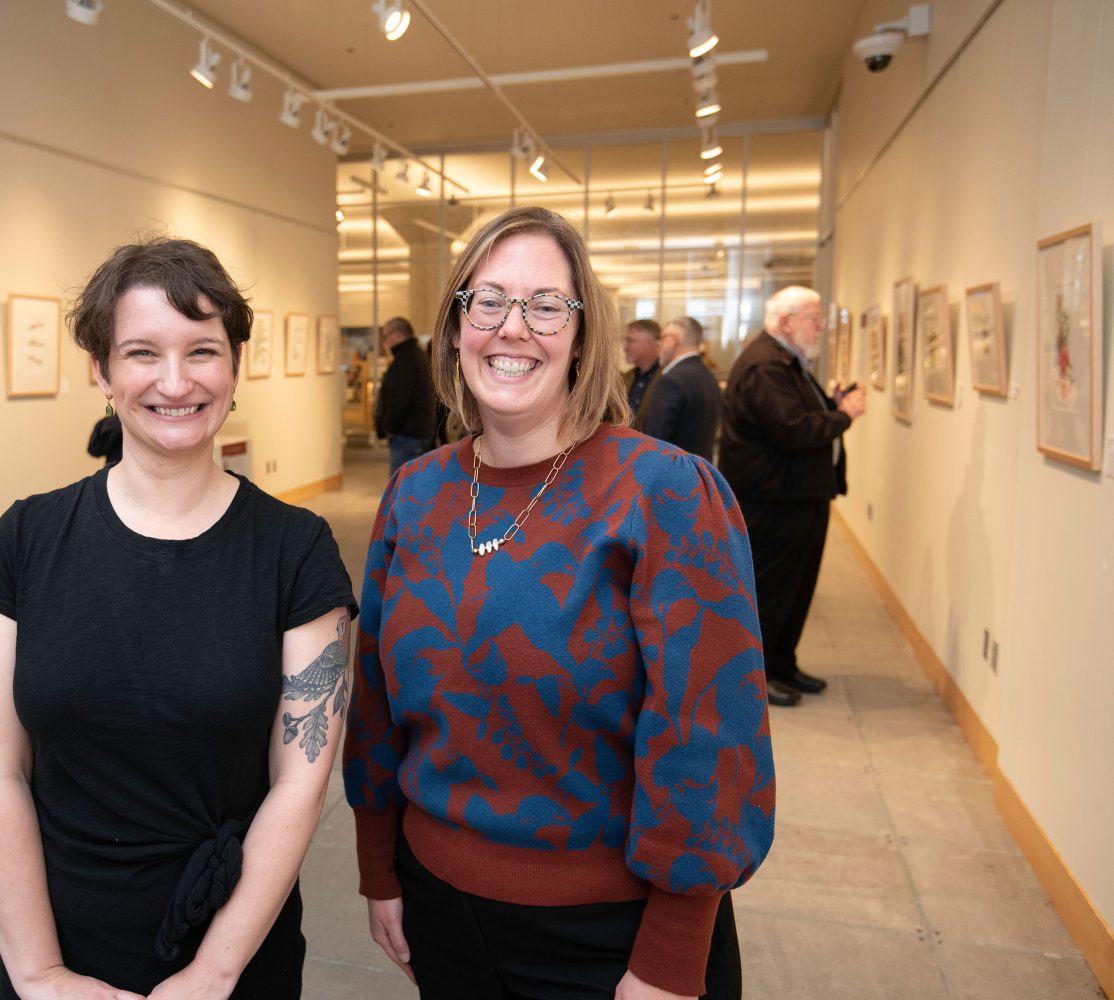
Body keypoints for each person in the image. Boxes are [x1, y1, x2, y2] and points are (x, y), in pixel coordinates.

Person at [345, 207, 775, 1000]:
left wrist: (673, 954)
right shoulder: (418, 491)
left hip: (612, 936)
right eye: (489, 301)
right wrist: (379, 866)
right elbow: (374, 696)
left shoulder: (663, 492)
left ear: (583, 335)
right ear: (456, 325)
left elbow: (709, 736)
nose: (513, 329)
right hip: (440, 908)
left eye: (546, 305)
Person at [0, 237, 357, 1000]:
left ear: (235, 369)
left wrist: (212, 975)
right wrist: (40, 975)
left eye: (202, 351)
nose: (175, 381)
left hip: (232, 947)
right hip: (55, 942)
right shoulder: (25, 539)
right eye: (143, 352)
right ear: (102, 372)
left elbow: (299, 786)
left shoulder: (295, 551)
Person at [718, 286, 867, 708]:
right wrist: (844, 415)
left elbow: (796, 417)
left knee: (796, 589)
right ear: (786, 322)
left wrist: (831, 405)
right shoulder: (767, 366)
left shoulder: (788, 363)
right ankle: (757, 677)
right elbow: (793, 429)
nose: (821, 326)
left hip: (797, 495)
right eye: (814, 319)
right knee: (771, 592)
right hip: (774, 499)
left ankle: (783, 664)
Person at [642, 316, 723, 460]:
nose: (659, 346)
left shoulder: (670, 382)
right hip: (700, 472)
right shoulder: (709, 377)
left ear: (672, 340)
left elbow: (654, 443)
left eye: (661, 339)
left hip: (672, 476)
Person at [374, 316, 439, 472]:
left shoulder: (406, 360)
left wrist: (389, 428)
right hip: (417, 433)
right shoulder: (416, 355)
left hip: (408, 437)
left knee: (403, 491)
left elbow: (400, 400)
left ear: (397, 335)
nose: (385, 342)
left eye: (386, 336)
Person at [621, 318, 663, 429]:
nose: (625, 347)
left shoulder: (667, 380)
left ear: (651, 343)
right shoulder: (627, 377)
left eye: (630, 341)